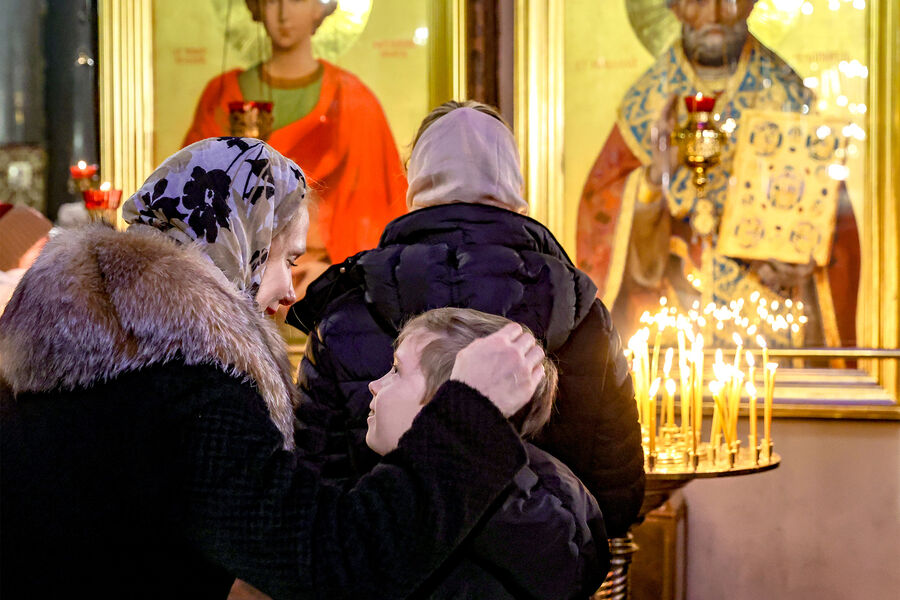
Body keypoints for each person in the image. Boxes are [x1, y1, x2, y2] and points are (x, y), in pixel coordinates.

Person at [0, 137, 545, 599]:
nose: (289, 291)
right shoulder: (188, 391)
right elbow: (339, 560)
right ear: (239, 242)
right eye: (286, 260)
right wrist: (471, 413)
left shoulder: (70, 355)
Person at [288, 102, 645, 540]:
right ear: (513, 182)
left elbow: (314, 496)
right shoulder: (580, 307)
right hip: (543, 573)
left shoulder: (350, 306)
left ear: (417, 183)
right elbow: (617, 497)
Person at [577, 0, 860, 347]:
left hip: (764, 325)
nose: (713, 15)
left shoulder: (787, 95)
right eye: (697, 0)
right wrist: (652, 178)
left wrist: (799, 259)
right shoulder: (645, 104)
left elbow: (828, 221)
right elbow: (600, 210)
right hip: (673, 326)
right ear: (673, 6)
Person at [365, 306, 610, 598]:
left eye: (396, 370)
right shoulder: (514, 510)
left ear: (450, 399)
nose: (374, 386)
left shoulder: (467, 544)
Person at [183, 0, 408, 293]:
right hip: (230, 284)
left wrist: (338, 273)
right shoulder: (222, 96)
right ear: (256, 7)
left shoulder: (354, 101)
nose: (283, 13)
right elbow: (189, 201)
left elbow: (373, 215)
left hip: (318, 282)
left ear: (321, 7)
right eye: (272, 0)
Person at [0, 203, 52, 314]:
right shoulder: (11, 296)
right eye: (41, 247)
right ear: (13, 254)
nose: (50, 250)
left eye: (49, 238)